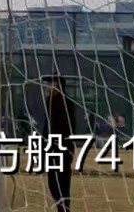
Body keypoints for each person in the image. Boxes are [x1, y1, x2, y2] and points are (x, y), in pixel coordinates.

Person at [43, 77, 74, 212]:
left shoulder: (62, 102)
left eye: (51, 83)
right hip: (54, 149)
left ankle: (63, 210)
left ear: (58, 85)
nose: (48, 86)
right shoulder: (50, 101)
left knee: (60, 185)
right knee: (55, 185)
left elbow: (67, 127)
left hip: (60, 148)